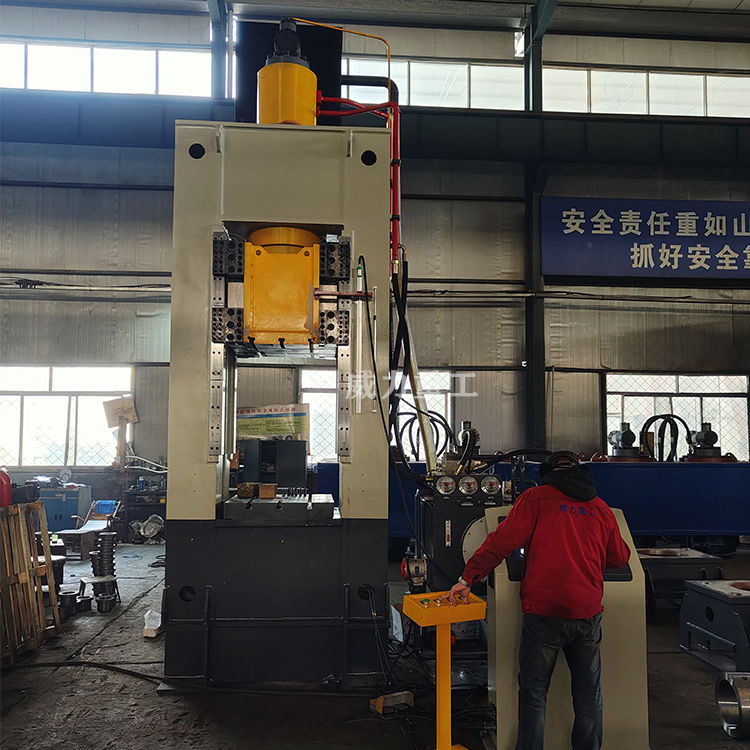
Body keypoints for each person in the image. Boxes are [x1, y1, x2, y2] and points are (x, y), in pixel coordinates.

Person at [442, 452, 631, 750]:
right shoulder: (600, 508)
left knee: (534, 693)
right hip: (586, 614)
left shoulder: (535, 499)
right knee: (588, 695)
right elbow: (620, 558)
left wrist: (468, 578)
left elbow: (501, 543)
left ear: (549, 474)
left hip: (544, 612)